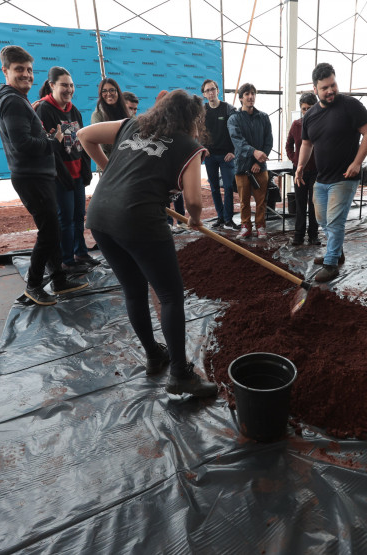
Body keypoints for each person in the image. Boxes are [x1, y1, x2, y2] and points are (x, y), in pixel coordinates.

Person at [77, 90, 217, 398]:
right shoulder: (189, 147)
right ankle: (180, 374)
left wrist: (109, 167)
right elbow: (193, 200)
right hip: (138, 220)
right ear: (192, 119)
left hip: (100, 216)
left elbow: (84, 135)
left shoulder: (131, 124)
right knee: (170, 296)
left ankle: (155, 355)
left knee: (134, 290)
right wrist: (194, 219)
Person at [0, 45, 89, 306]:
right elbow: (23, 144)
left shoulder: (14, 98)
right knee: (49, 231)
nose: (26, 75)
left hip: (37, 175)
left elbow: (26, 139)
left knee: (52, 230)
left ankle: (58, 278)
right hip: (31, 176)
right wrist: (52, 142)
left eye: (30, 70)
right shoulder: (12, 101)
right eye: (19, 69)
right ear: (5, 71)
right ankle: (34, 284)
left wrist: (46, 140)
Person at [295, 63, 367, 283]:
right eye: (324, 88)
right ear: (315, 89)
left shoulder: (350, 106)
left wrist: (357, 163)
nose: (330, 90)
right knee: (322, 219)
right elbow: (306, 144)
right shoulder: (310, 115)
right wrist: (301, 166)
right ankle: (336, 251)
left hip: (345, 177)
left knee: (335, 221)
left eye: (333, 84)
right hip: (322, 178)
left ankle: (331, 264)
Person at [34, 66, 98, 270]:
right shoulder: (44, 109)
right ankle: (66, 259)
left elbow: (77, 143)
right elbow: (48, 147)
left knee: (79, 216)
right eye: (64, 85)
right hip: (59, 177)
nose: (69, 89)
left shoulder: (72, 109)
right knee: (66, 219)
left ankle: (80, 253)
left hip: (76, 174)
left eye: (71, 85)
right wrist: (61, 174)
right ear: (52, 85)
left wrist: (86, 168)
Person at [227, 83, 272, 239]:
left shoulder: (264, 117)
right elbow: (238, 141)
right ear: (241, 98)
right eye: (246, 94)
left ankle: (261, 227)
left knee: (261, 201)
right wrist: (254, 152)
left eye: (252, 93)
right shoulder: (233, 119)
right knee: (244, 201)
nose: (250, 96)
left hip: (260, 167)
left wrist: (258, 162)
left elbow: (269, 141)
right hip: (241, 167)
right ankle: (246, 226)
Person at [201, 79, 238, 230]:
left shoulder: (228, 109)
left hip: (226, 156)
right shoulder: (202, 111)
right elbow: (198, 132)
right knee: (214, 188)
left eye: (212, 89)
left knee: (229, 187)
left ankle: (229, 219)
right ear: (204, 94)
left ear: (218, 90)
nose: (211, 93)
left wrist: (233, 151)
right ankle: (221, 217)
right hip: (210, 156)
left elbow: (237, 131)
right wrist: (203, 148)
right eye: (207, 91)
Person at [286, 92, 319, 246]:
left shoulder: (321, 125)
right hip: (299, 172)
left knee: (314, 204)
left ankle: (313, 235)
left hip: (317, 171)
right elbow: (288, 145)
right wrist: (295, 160)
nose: (307, 111)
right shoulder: (296, 125)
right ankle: (298, 235)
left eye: (310, 108)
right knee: (300, 203)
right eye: (304, 109)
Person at [90, 77, 130, 158]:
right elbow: (101, 146)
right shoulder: (98, 115)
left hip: (127, 162)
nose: (108, 94)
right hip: (108, 164)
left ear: (117, 92)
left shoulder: (128, 113)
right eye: (104, 91)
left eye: (112, 90)